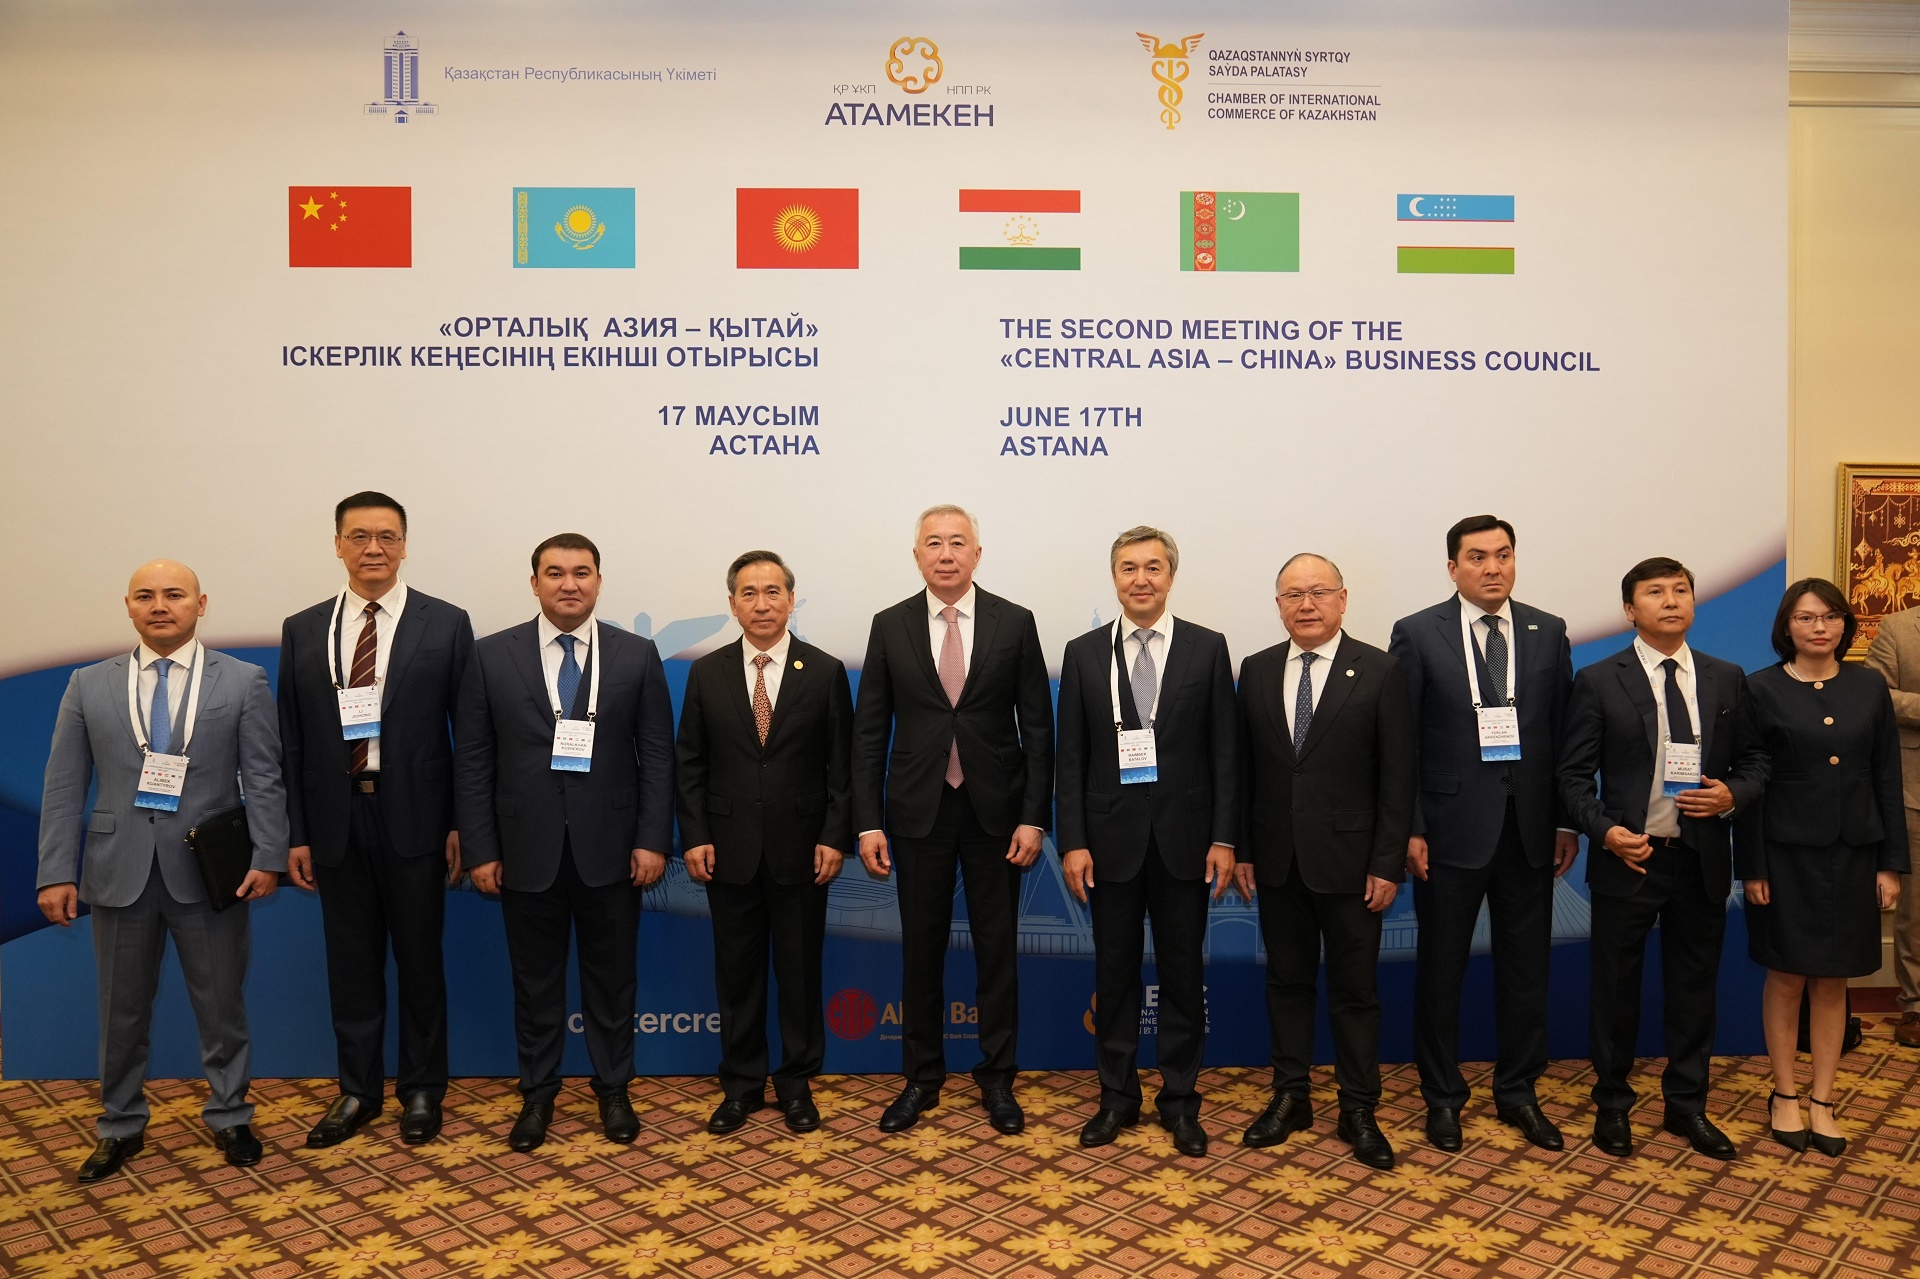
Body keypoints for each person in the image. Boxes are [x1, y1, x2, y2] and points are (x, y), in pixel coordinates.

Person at [37, 561, 288, 1181]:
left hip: (211, 872)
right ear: (127, 606)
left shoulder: (244, 679)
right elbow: (64, 784)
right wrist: (55, 871)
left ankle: (231, 1115)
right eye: (145, 596)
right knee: (120, 1011)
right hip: (117, 870)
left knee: (221, 1005)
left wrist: (268, 856)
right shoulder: (88, 684)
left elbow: (263, 775)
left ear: (200, 604)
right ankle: (120, 1124)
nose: (159, 605)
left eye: (174, 594)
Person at [454, 534, 674, 1151]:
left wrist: (652, 839)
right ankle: (537, 1094)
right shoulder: (490, 655)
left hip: (614, 848)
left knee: (613, 982)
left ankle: (614, 1089)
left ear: (599, 581)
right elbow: (473, 759)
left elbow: (658, 754)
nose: (569, 584)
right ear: (535, 584)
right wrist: (481, 848)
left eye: (581, 572)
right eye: (555, 573)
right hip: (524, 849)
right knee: (535, 984)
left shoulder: (636, 654)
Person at [278, 492, 472, 1148]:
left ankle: (422, 1088)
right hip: (336, 820)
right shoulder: (304, 628)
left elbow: (468, 735)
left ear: (404, 545)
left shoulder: (446, 622)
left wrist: (460, 822)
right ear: (338, 544)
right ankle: (357, 1091)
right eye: (359, 536)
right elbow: (291, 740)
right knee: (351, 963)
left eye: (387, 536)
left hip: (418, 816)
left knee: (420, 960)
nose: (374, 548)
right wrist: (297, 831)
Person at [852, 504, 1054, 1135]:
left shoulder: (1014, 622)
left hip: (997, 813)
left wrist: (1034, 817)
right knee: (922, 951)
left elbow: (1038, 728)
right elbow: (869, 732)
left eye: (958, 542)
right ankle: (921, 1078)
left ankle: (998, 1080)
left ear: (977, 554)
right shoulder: (889, 625)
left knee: (998, 952)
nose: (946, 554)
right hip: (918, 811)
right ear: (917, 555)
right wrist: (867, 821)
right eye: (934, 543)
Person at [1559, 556, 1768, 1159]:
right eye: (1656, 592)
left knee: (1693, 987)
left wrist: (1733, 795)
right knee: (1616, 989)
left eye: (1681, 590)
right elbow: (1572, 777)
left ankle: (1687, 1105)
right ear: (1631, 609)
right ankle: (1613, 1104)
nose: (1672, 601)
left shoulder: (1726, 676)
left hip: (1700, 857)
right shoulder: (1599, 679)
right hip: (1631, 856)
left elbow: (1757, 761)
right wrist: (1606, 832)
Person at [1388, 516, 1577, 1154]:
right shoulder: (1418, 632)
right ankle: (1442, 1098)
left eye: (1503, 555)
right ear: (1453, 568)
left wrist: (1563, 819)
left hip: (1530, 830)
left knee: (1527, 972)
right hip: (1447, 832)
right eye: (1477, 557)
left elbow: (1565, 737)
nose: (1492, 567)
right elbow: (1402, 742)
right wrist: (1412, 826)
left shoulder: (1548, 631)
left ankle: (1519, 1092)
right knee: (1441, 973)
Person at [1055, 526, 1239, 1157]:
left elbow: (1224, 752)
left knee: (1184, 975)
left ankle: (1181, 1101)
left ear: (1170, 576)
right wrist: (1073, 841)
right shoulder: (1083, 653)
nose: (1141, 579)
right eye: (1129, 568)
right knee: (1115, 973)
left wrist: (1224, 837)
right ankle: (1117, 1097)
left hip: (1187, 840)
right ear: (1114, 578)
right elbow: (1071, 757)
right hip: (1108, 842)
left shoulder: (1207, 647)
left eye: (1153, 567)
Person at [1233, 553, 1414, 1170]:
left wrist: (1387, 862)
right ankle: (1291, 1097)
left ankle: (1358, 1107)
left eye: (1318, 592)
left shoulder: (1381, 670)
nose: (1306, 605)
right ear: (1278, 605)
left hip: (1354, 863)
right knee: (1286, 984)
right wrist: (1245, 850)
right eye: (1293, 595)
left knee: (1354, 991)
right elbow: (1246, 771)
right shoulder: (1256, 669)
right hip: (1277, 861)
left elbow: (1398, 777)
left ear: (1342, 599)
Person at [677, 550, 853, 1136]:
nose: (762, 603)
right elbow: (690, 763)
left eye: (773, 591)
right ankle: (741, 1087)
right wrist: (695, 835)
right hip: (727, 851)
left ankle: (797, 1085)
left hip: (803, 851)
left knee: (799, 975)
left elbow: (842, 767)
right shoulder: (707, 672)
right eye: (749, 593)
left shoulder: (824, 671)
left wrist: (834, 836)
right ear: (732, 604)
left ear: (791, 600)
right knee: (738, 976)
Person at [1739, 579, 1907, 1156]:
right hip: (1784, 856)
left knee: (1835, 980)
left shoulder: (1869, 686)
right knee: (1787, 977)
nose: (1820, 627)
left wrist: (1890, 864)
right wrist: (1753, 867)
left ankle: (1823, 1100)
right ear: (1786, 626)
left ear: (1845, 626)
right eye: (1807, 617)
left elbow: (1886, 777)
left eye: (1831, 617)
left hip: (1855, 854)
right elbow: (1750, 786)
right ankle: (1785, 1093)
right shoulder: (1758, 688)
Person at [1868, 604, 1920, 1048]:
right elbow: (1875, 693)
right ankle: (1916, 1005)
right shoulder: (1899, 627)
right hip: (1914, 788)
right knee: (1916, 910)